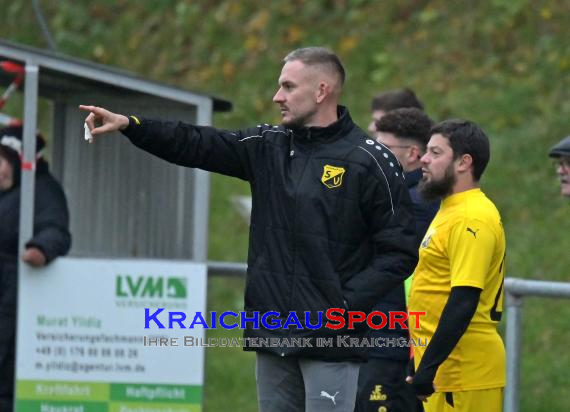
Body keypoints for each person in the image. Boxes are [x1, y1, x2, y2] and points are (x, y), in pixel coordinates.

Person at [80, 46, 419, 412]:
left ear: (322, 91)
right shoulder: (267, 146)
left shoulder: (370, 160)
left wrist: (343, 305)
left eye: (288, 87)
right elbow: (196, 143)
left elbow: (399, 251)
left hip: (331, 341)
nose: (277, 97)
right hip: (272, 335)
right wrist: (133, 126)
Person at [406, 120, 506, 412]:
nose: (424, 159)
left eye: (435, 153)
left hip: (463, 371)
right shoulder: (451, 209)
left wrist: (429, 367)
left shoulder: (470, 218)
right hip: (445, 371)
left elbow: (463, 299)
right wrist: (420, 359)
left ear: (464, 162)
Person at [355, 108, 438, 412]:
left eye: (383, 150)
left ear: (414, 153)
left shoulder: (412, 203)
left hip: (391, 343)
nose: (373, 157)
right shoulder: (399, 195)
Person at [0, 125, 71, 411]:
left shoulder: (41, 190)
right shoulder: (9, 192)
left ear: (19, 161)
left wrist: (39, 249)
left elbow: (55, 228)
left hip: (11, 298)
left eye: (3, 160)